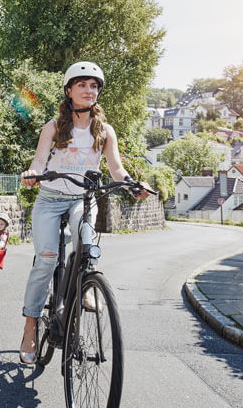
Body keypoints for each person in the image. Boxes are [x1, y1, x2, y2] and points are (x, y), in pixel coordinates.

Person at [19, 61, 151, 363]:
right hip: (50, 199)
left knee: (87, 246)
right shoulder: (53, 127)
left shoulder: (104, 130)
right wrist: (32, 172)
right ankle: (30, 325)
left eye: (94, 86)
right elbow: (40, 161)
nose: (88, 90)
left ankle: (86, 285)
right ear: (69, 91)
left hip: (82, 199)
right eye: (82, 85)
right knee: (47, 259)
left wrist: (132, 184)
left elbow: (116, 168)